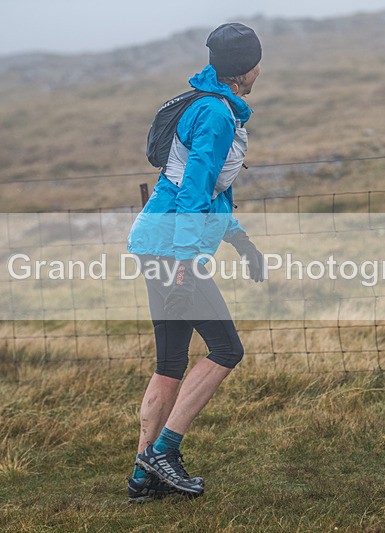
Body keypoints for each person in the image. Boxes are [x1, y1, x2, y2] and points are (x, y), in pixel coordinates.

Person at [125, 22, 266, 502]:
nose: (259, 71)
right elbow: (193, 190)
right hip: (171, 248)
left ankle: (142, 479)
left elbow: (209, 192)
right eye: (256, 63)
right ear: (245, 69)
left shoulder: (212, 105)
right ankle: (163, 452)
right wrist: (186, 260)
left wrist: (241, 242)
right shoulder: (216, 114)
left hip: (156, 241)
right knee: (227, 349)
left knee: (170, 363)